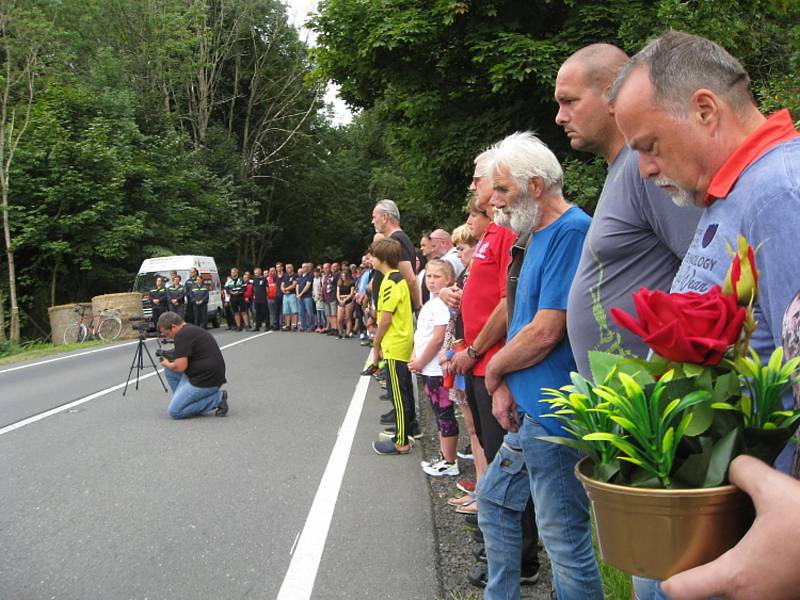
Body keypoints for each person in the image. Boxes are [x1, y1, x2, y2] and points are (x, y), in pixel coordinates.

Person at [610, 29, 800, 600]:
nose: (643, 169)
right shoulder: (736, 192)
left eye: (649, 144)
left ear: (705, 109)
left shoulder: (780, 194)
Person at [478, 131, 603, 599]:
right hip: (532, 411)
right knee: (494, 502)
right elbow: (521, 319)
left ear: (535, 185)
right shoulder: (535, 234)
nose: (497, 201)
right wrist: (507, 381)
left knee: (564, 541)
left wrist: (493, 371)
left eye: (504, 190)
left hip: (556, 415)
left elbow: (549, 328)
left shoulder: (572, 231)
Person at [410, 259, 460, 476]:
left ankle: (450, 461)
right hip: (428, 368)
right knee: (438, 413)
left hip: (436, 370)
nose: (431, 281)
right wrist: (415, 354)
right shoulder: (431, 303)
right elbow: (423, 334)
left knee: (444, 413)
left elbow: (439, 337)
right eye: (428, 276)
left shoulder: (442, 305)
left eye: (437, 277)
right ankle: (444, 456)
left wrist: (420, 361)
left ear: (449, 280)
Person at [369, 238, 416, 455]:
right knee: (403, 393)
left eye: (372, 255)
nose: (370, 259)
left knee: (397, 395)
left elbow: (385, 318)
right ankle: (403, 432)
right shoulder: (399, 279)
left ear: (382, 259)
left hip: (395, 344)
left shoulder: (389, 282)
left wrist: (376, 343)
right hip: (402, 342)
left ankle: (401, 442)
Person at [157, 311, 228, 419]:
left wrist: (167, 364)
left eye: (167, 334)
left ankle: (217, 399)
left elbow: (180, 367)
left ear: (174, 326)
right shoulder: (189, 329)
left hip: (207, 381)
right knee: (169, 371)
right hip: (205, 374)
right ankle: (186, 403)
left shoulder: (182, 336)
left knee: (174, 411)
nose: (167, 337)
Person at [371, 199, 421, 312]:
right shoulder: (397, 239)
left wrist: (417, 307)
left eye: (374, 217)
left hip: (395, 315)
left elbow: (410, 279)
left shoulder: (397, 240)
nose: (372, 221)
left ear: (385, 217)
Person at [336, 264, 356, 338]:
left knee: (348, 318)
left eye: (344, 276)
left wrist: (345, 299)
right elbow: (337, 293)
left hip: (348, 301)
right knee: (339, 319)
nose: (343, 277)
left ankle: (348, 333)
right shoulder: (339, 283)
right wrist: (340, 300)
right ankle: (340, 332)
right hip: (340, 301)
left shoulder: (351, 282)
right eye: (342, 276)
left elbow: (351, 294)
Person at [281, 263, 299, 331]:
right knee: (286, 311)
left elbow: (294, 285)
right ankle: (288, 325)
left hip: (292, 294)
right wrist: (283, 289)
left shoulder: (295, 275)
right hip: (285, 295)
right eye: (286, 267)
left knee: (294, 311)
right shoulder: (285, 276)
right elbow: (282, 284)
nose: (287, 269)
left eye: (288, 267)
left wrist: (286, 289)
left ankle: (295, 325)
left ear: (292, 268)